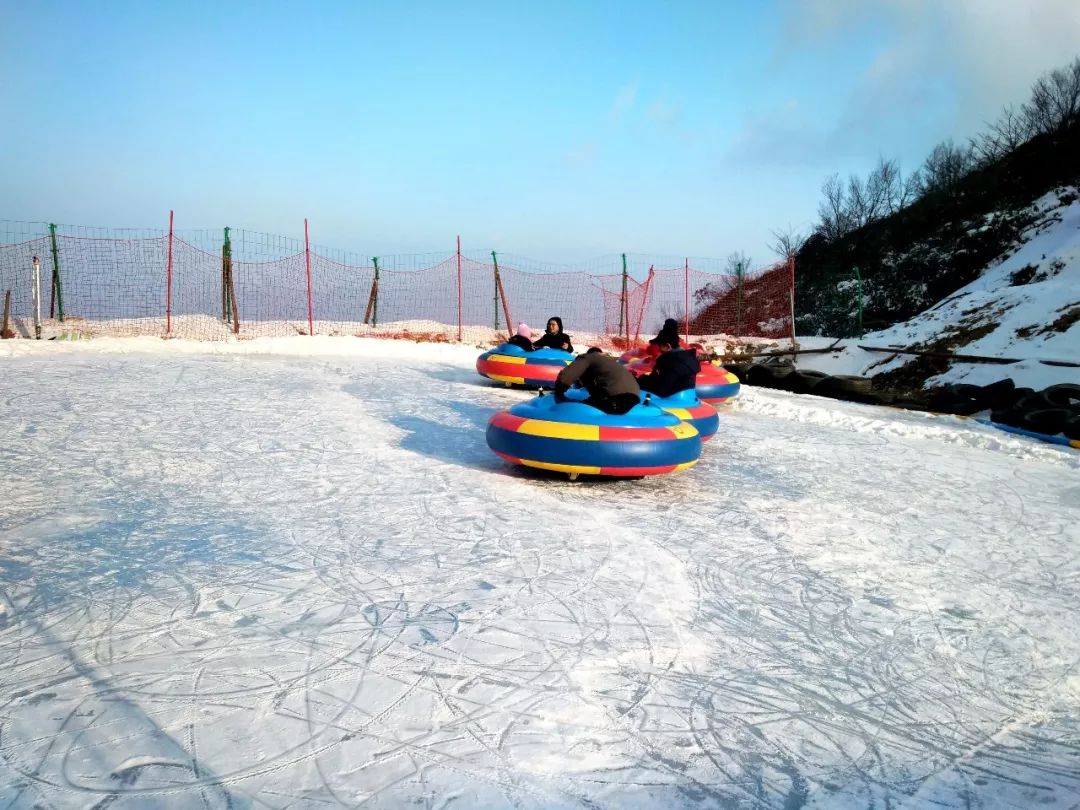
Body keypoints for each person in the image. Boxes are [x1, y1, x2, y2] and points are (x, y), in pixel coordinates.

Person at [554, 347, 641, 415]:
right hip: (634, 399)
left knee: (577, 408)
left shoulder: (587, 358)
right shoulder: (612, 363)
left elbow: (566, 377)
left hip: (614, 398)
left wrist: (558, 391)